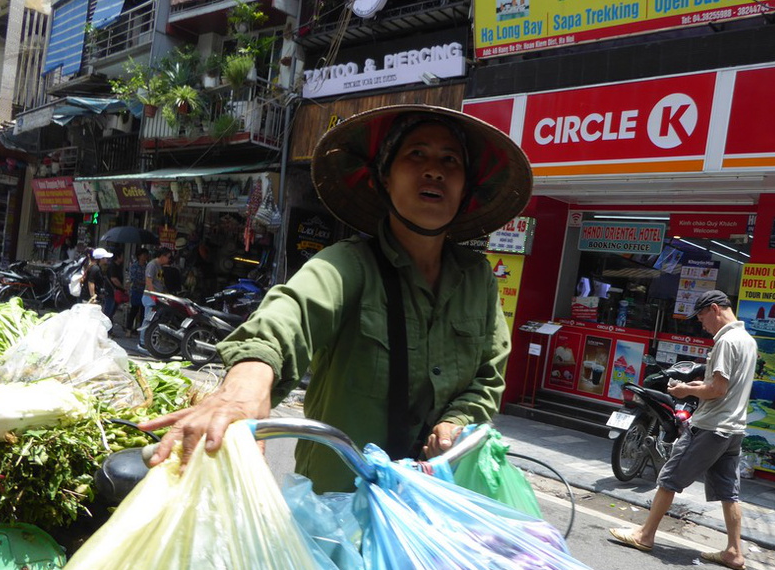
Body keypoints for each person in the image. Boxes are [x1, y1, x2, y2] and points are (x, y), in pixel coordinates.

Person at [141, 104, 532, 497]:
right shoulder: (347, 264)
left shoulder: (478, 280)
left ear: (465, 188)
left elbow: (488, 377)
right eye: (417, 154)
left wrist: (456, 421)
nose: (435, 170)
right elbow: (289, 315)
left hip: (436, 509)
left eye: (451, 160)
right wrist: (243, 388)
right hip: (337, 517)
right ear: (385, 176)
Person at [608, 290, 758, 570]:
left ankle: (645, 535)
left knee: (669, 478)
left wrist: (684, 389)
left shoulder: (726, 340)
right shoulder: (748, 341)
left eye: (702, 318)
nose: (703, 325)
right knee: (729, 492)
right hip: (734, 429)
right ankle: (735, 552)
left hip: (711, 427)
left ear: (714, 309)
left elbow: (717, 389)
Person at [139, 246, 172, 346]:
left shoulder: (159, 266)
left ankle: (148, 342)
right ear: (162, 256)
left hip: (156, 297)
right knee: (148, 320)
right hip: (150, 297)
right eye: (168, 257)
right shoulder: (152, 265)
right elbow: (149, 281)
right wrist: (154, 295)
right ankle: (142, 342)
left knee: (152, 321)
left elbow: (160, 282)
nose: (169, 259)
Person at [125, 248, 149, 338]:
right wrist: (144, 282)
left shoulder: (147, 266)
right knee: (133, 311)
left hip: (145, 292)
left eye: (146, 255)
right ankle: (129, 329)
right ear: (139, 256)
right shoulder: (134, 266)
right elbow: (133, 278)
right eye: (144, 255)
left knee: (143, 312)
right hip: (136, 291)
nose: (145, 257)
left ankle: (141, 331)